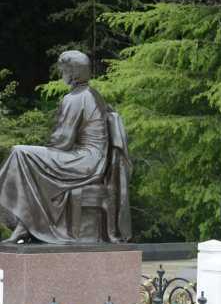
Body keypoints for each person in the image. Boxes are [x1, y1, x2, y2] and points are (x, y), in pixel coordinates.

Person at [0, 50, 129, 243]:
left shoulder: (75, 98)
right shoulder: (93, 94)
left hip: (84, 161)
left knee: (20, 152)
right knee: (26, 157)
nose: (61, 74)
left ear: (73, 72)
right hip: (93, 161)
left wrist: (43, 154)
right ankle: (25, 225)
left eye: (63, 70)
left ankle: (24, 223)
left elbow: (62, 141)